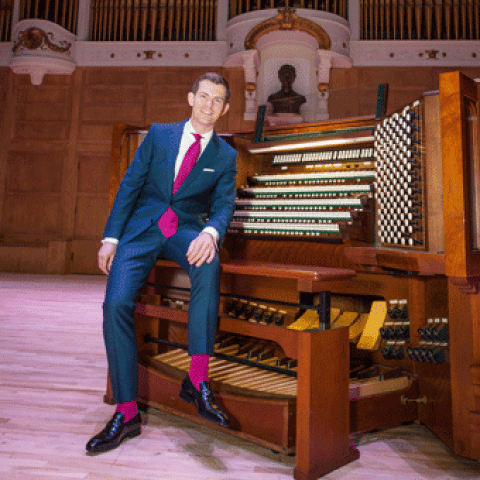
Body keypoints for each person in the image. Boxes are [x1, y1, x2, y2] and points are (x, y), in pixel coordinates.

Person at [86, 72, 237, 454]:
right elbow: (130, 185)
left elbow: (223, 205)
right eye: (204, 97)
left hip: (182, 229)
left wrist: (211, 233)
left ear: (226, 109)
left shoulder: (226, 155)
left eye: (218, 100)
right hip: (142, 227)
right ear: (191, 98)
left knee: (209, 264)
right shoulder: (159, 134)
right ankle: (126, 413)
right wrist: (111, 238)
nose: (209, 105)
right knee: (116, 304)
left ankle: (197, 380)